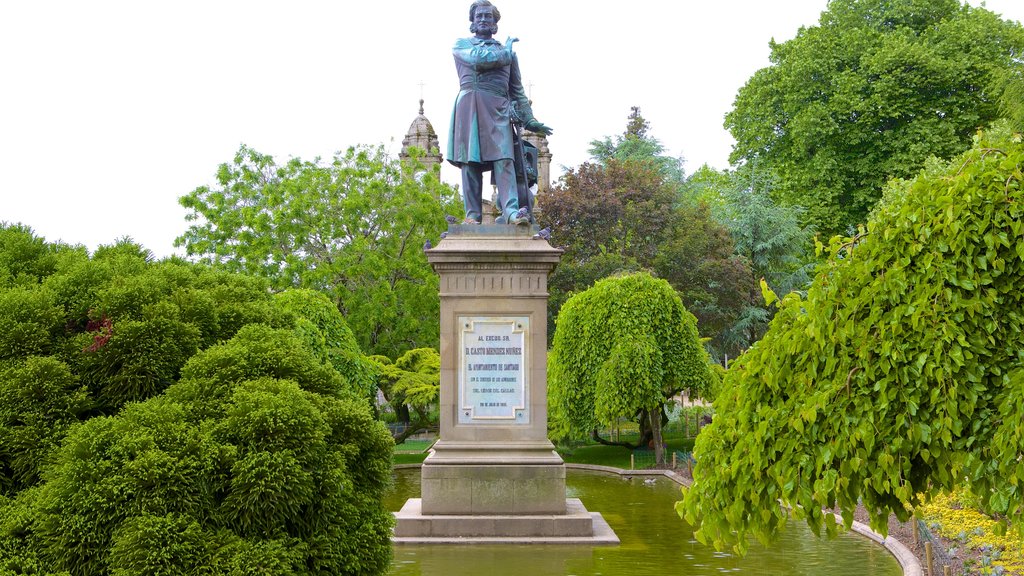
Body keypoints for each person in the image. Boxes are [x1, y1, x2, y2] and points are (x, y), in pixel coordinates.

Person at [446, 0, 553, 226]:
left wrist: (530, 120)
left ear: (495, 23)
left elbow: (517, 90)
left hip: (498, 108)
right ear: (472, 22)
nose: (483, 19)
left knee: (505, 159)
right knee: (470, 162)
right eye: (479, 16)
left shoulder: (508, 53)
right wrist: (506, 51)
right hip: (470, 107)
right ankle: (472, 215)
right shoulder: (462, 44)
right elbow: (477, 59)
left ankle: (512, 212)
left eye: (488, 16)